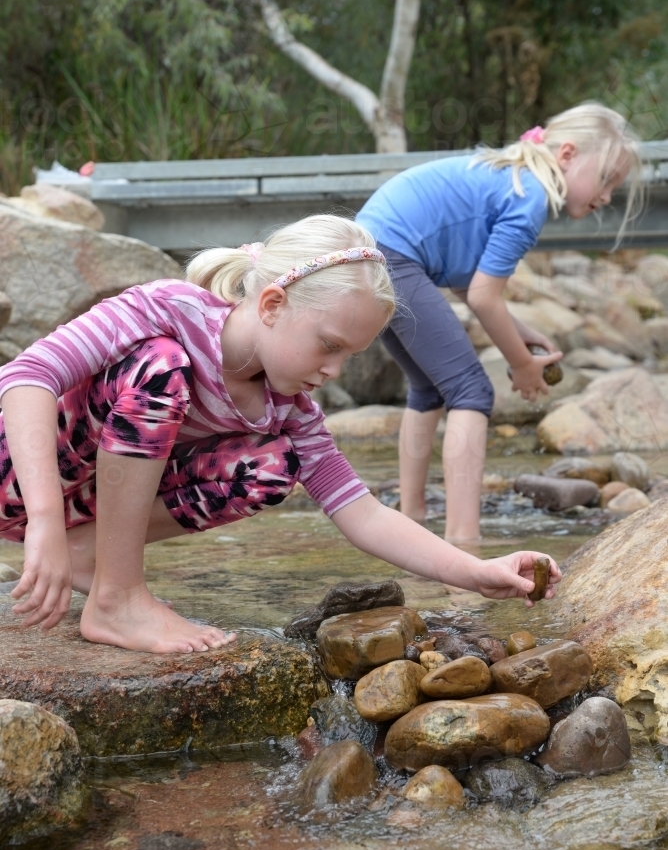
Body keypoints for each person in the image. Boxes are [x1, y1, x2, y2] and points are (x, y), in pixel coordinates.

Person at [0, 215, 559, 655]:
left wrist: (477, 571)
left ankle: (89, 558)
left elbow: (360, 511)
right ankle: (117, 597)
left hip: (73, 506)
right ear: (272, 304)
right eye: (330, 345)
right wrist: (46, 518)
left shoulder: (287, 407)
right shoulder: (164, 311)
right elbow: (26, 376)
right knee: (159, 368)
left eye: (351, 355)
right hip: (18, 472)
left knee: (272, 465)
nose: (336, 370)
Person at [356, 102, 642, 542]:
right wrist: (522, 365)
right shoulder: (529, 200)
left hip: (371, 257)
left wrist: (520, 335)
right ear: (566, 155)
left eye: (614, 187)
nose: (607, 196)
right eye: (605, 179)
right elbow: (484, 298)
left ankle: (411, 517)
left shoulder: (510, 179)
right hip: (392, 257)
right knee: (471, 390)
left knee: (429, 387)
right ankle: (464, 539)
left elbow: (469, 283)